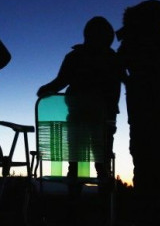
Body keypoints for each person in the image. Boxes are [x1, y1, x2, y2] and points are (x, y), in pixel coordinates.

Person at [37, 16, 124, 198]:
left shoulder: (75, 57)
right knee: (102, 164)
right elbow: (115, 91)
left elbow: (60, 82)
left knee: (74, 164)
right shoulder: (111, 59)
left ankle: (73, 207)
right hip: (103, 122)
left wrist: (45, 89)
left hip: (77, 118)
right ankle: (105, 209)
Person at [116, 0, 160, 226]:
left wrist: (129, 82)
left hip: (149, 110)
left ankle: (154, 217)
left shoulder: (143, 41)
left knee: (149, 164)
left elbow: (120, 65)